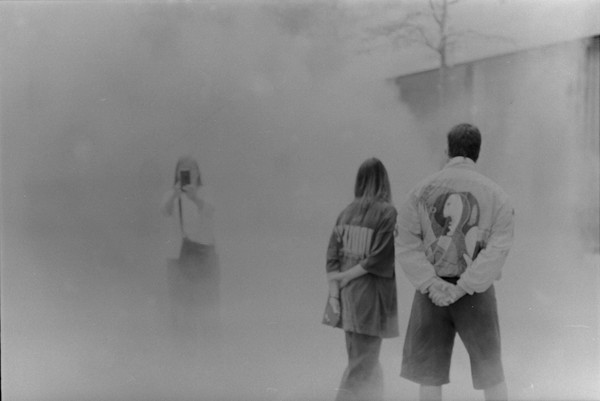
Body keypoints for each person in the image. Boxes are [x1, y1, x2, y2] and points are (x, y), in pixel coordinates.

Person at [395, 123, 514, 401]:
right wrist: (462, 288)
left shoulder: (419, 191)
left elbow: (406, 243)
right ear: (478, 153)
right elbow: (497, 251)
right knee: (492, 375)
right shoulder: (497, 195)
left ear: (447, 150)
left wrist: (431, 283)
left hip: (431, 296)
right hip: (476, 295)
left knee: (429, 377)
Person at [325, 157, 399, 401]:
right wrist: (348, 276)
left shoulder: (345, 213)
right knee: (362, 366)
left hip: (346, 298)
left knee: (365, 361)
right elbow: (379, 258)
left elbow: (332, 258)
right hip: (371, 299)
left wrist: (335, 295)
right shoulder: (387, 212)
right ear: (384, 181)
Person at [161, 155, 220, 350]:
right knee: (180, 299)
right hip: (177, 254)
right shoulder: (171, 193)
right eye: (183, 168)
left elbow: (210, 211)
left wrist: (195, 197)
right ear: (177, 173)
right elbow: (164, 211)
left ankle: (208, 343)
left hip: (203, 252)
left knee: (205, 298)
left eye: (192, 168)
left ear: (198, 172)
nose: (187, 172)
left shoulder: (206, 192)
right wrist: (175, 195)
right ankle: (183, 344)